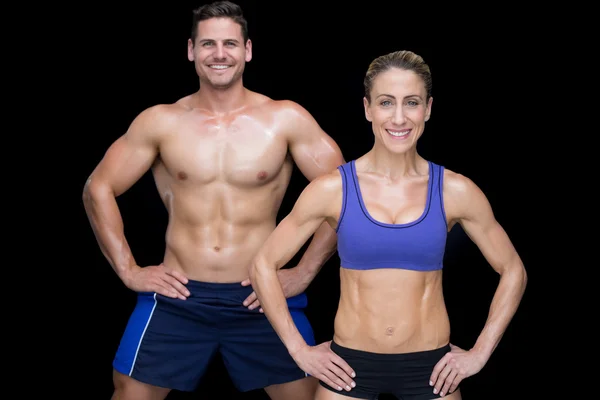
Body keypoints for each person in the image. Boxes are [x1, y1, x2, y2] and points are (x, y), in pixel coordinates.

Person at [82, 1, 346, 398]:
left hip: (261, 294)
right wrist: (128, 269)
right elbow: (97, 188)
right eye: (208, 44)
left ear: (248, 50)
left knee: (309, 395)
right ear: (191, 50)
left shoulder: (284, 119)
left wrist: (305, 271)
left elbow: (345, 195)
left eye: (229, 44)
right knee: (130, 393)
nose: (219, 54)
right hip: (179, 295)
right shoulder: (161, 121)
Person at [249, 49, 528, 400]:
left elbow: (513, 270)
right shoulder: (332, 189)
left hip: (431, 370)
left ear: (427, 108)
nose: (399, 117)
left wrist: (480, 352)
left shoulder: (455, 190)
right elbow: (263, 265)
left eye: (411, 103)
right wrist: (298, 349)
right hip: (349, 368)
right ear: (368, 109)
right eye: (386, 103)